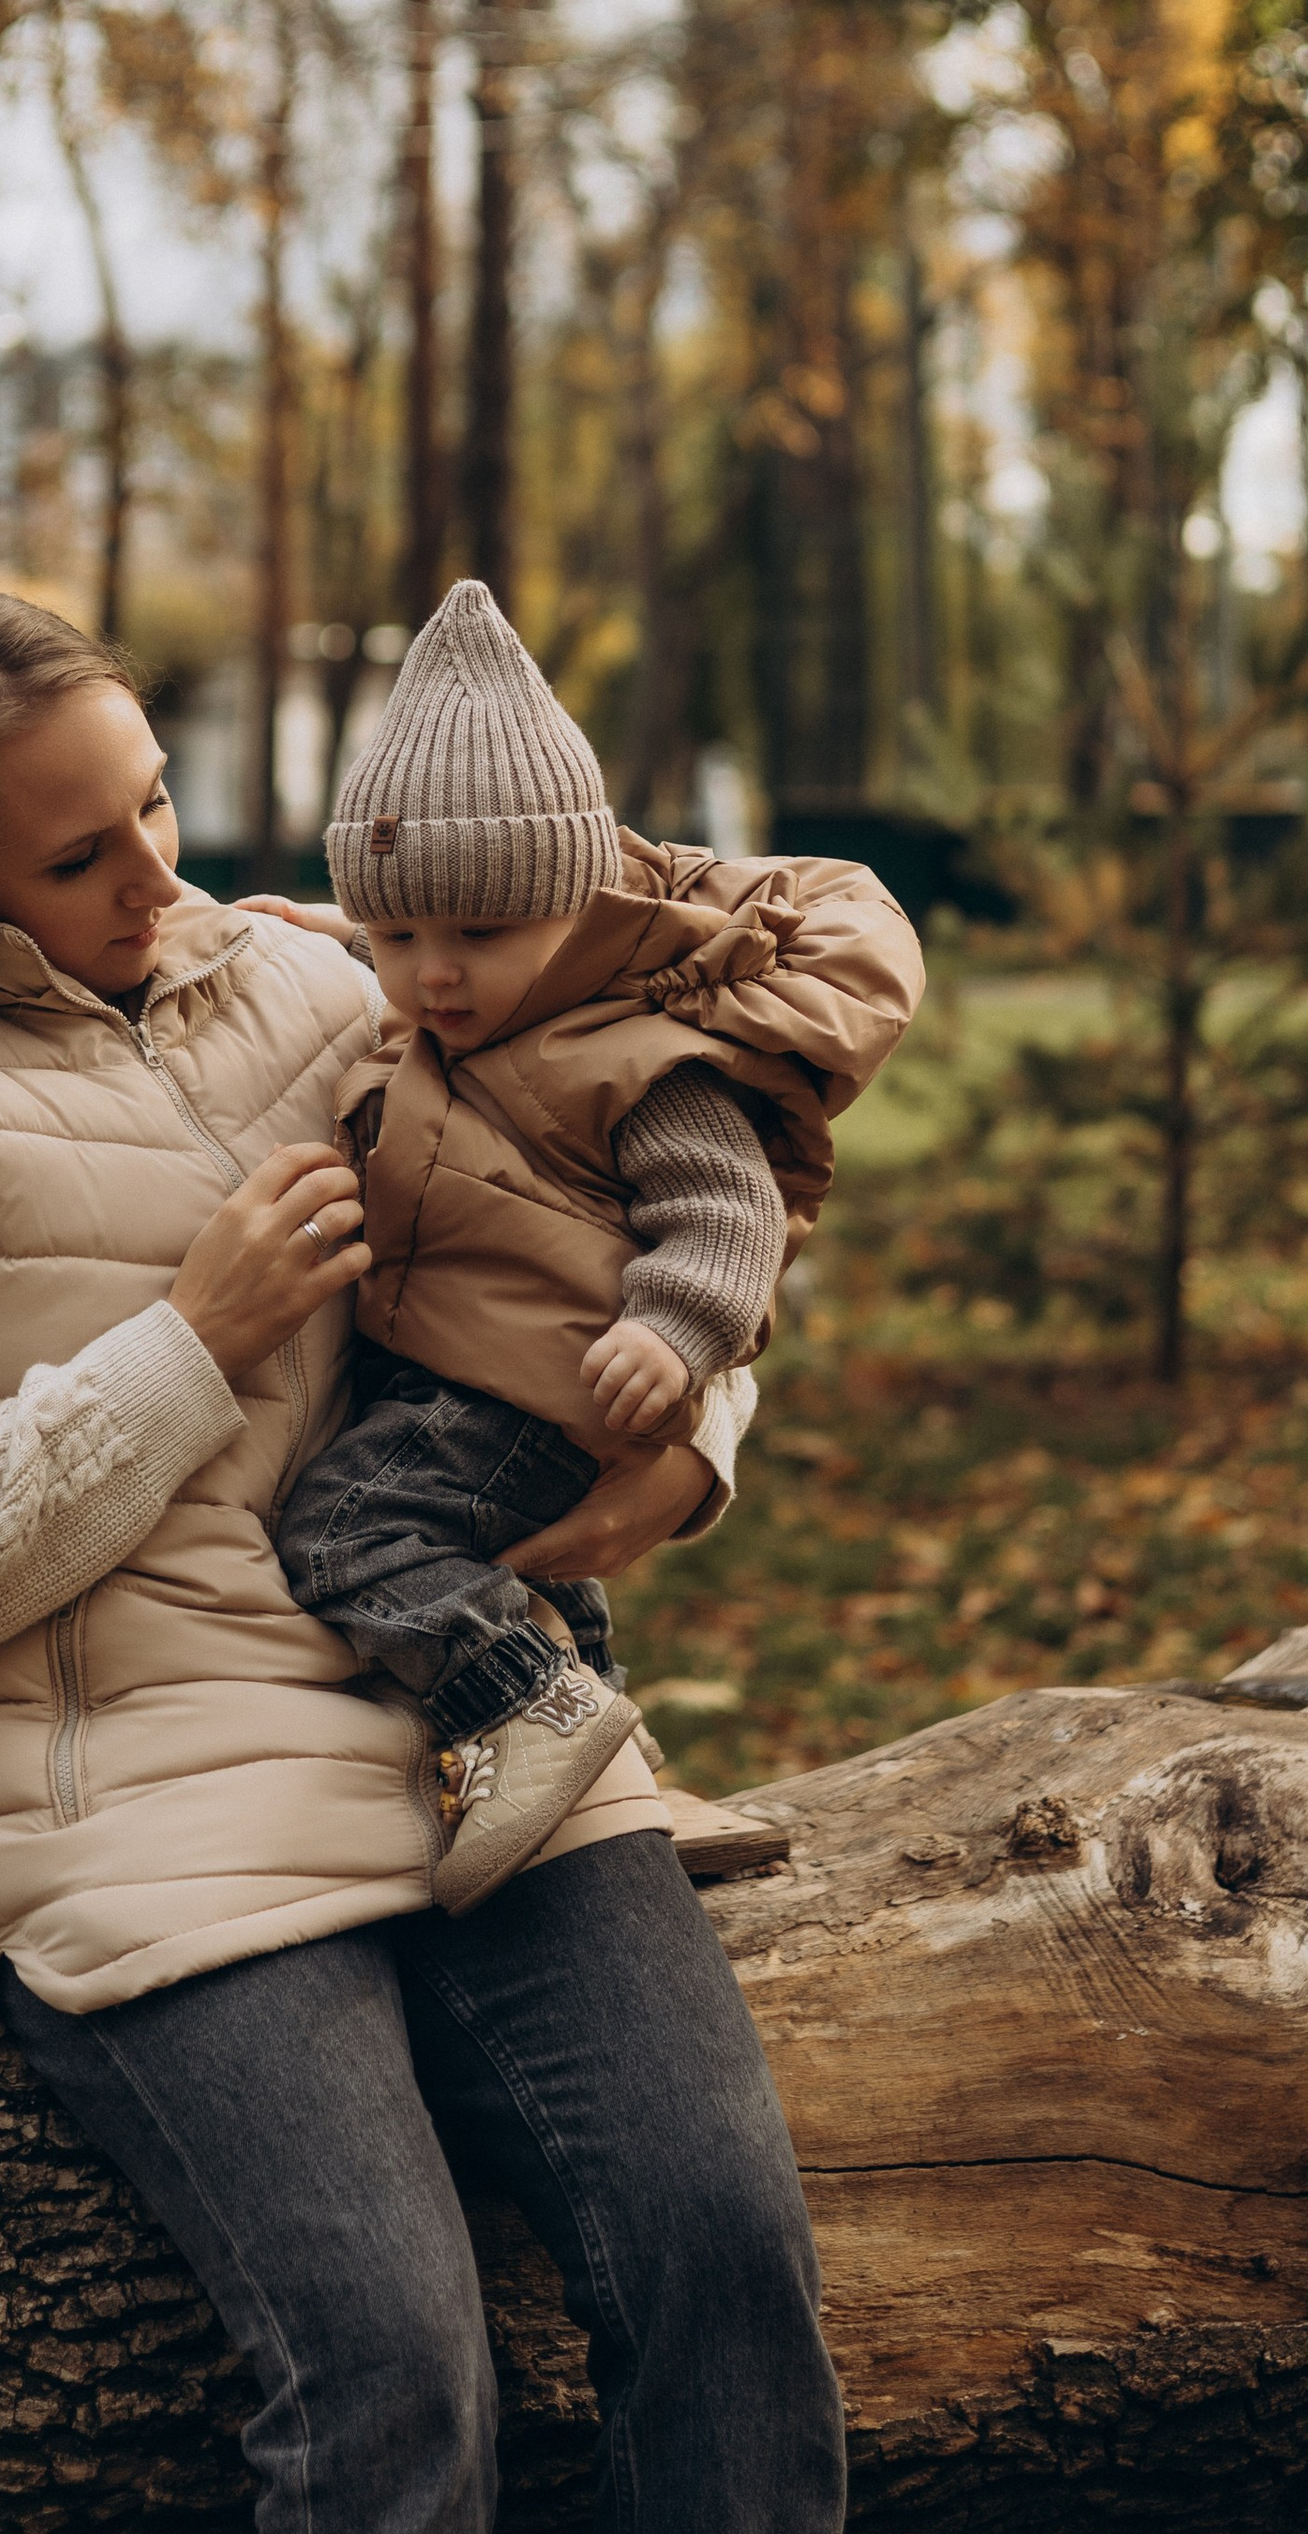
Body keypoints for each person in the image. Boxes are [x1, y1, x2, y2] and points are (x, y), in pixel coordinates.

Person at [0, 581, 848, 2534]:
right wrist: (183, 1344)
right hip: (142, 1832)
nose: (158, 880)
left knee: (722, 2253)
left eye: (155, 807)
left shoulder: (323, 983)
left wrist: (687, 1444)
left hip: (488, 1747)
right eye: (78, 857)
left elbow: (639, 1196)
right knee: (393, 2366)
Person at [268, 581, 923, 1911]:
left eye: (478, 937)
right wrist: (322, 931)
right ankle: (622, 1776)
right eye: (396, 938)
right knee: (555, 1584)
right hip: (487, 1376)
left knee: (343, 1525)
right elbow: (432, 922)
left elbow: (728, 1210)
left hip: (546, 1388)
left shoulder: (635, 1052)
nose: (432, 977)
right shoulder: (488, 1005)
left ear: (569, 906)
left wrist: (673, 1326)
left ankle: (525, 1715)